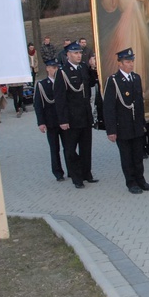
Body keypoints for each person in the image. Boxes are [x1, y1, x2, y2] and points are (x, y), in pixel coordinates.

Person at [103, 48, 149, 194]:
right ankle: (131, 182)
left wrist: (143, 123)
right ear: (119, 63)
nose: (130, 64)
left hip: (136, 124)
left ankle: (141, 180)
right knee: (127, 156)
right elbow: (109, 108)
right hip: (122, 125)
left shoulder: (136, 78)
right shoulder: (113, 81)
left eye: (132, 61)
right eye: (127, 62)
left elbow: (139, 104)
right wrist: (111, 130)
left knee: (138, 155)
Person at [54, 42, 98, 189]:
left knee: (86, 147)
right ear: (68, 55)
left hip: (85, 115)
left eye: (80, 53)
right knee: (71, 149)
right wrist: (63, 120)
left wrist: (93, 69)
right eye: (75, 53)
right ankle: (76, 177)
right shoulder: (62, 72)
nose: (79, 55)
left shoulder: (84, 68)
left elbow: (91, 84)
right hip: (71, 118)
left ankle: (87, 173)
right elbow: (59, 99)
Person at [34, 59, 67, 181]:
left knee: (68, 148)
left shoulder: (63, 83)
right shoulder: (42, 85)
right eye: (53, 68)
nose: (55, 70)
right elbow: (38, 105)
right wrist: (41, 123)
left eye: (57, 68)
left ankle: (71, 170)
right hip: (51, 121)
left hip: (64, 121)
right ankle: (58, 172)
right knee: (54, 149)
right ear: (47, 69)